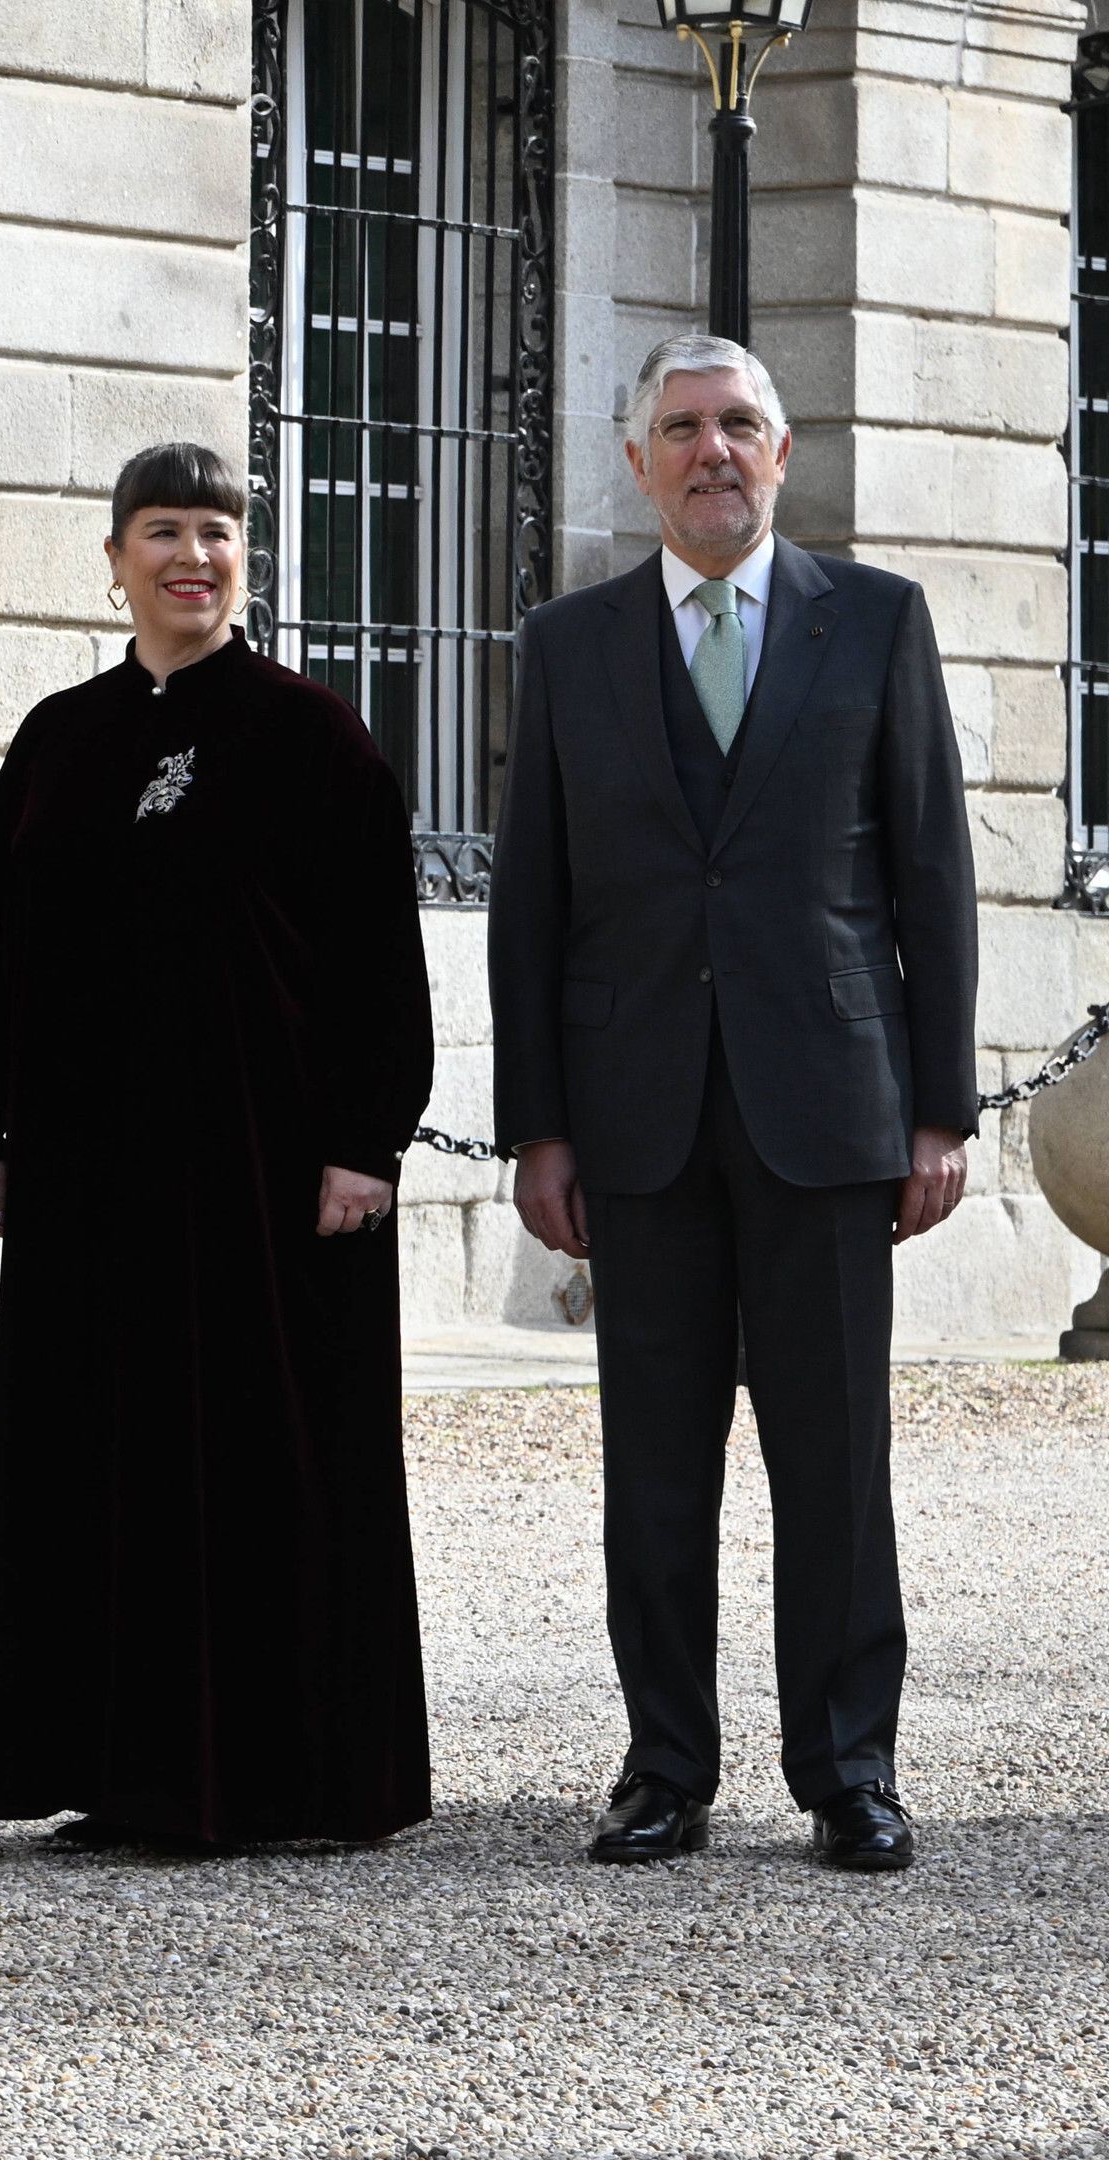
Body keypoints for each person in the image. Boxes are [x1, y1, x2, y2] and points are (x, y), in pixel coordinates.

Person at [492, 335, 975, 1874]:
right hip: (635, 1118)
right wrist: (539, 1124)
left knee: (834, 1459)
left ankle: (848, 1770)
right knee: (655, 1460)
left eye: (741, 427)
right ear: (636, 462)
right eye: (683, 429)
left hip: (828, 1109)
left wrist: (942, 1110)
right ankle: (665, 1768)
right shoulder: (567, 645)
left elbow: (932, 879)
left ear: (785, 453)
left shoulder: (879, 623)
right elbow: (532, 902)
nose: (713, 452)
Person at [0, 441, 436, 1850]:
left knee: (269, 1462)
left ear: (242, 558)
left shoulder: (315, 736)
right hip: (89, 1182)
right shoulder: (59, 739)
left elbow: (381, 966)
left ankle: (290, 1778)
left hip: (273, 1185)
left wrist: (363, 1146)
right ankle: (126, 1774)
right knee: (102, 1463)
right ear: (115, 558)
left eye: (214, 532)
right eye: (162, 530)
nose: (190, 556)